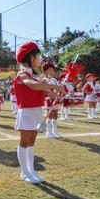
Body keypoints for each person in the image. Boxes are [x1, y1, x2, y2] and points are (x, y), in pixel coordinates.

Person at [13, 41, 65, 183]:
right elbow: (34, 86)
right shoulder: (23, 74)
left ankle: (31, 170)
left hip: (37, 110)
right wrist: (53, 86)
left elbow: (47, 91)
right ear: (31, 57)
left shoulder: (35, 76)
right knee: (24, 141)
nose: (39, 61)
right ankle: (24, 172)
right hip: (27, 111)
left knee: (31, 142)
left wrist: (56, 93)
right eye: (38, 57)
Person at [42, 62, 60, 138]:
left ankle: (55, 131)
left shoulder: (54, 80)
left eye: (53, 70)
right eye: (50, 69)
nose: (52, 71)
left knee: (55, 114)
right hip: (47, 99)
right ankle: (48, 132)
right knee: (49, 114)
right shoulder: (43, 80)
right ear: (45, 70)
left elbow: (57, 88)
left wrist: (58, 92)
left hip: (55, 99)